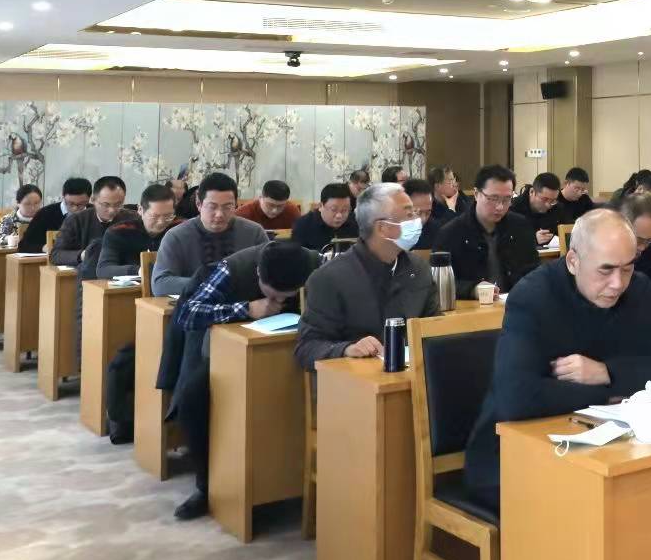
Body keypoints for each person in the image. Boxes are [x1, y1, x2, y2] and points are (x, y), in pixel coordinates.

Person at [462, 209, 651, 512]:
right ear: (573, 261)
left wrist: (607, 373)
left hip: (608, 447)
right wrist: (609, 393)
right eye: (605, 270)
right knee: (602, 505)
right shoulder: (533, 296)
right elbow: (516, 397)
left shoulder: (636, 290)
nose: (617, 283)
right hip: (513, 456)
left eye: (627, 268)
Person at [162, 239, 319, 520]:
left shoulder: (315, 263)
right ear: (258, 273)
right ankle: (206, 485)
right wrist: (246, 309)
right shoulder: (233, 268)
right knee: (192, 400)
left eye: (286, 296)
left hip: (294, 354)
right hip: (227, 357)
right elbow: (187, 313)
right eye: (272, 295)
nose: (278, 302)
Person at [296, 183, 440, 370]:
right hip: (356, 380)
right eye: (409, 214)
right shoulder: (329, 278)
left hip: (413, 374)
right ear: (382, 228)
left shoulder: (419, 269)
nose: (417, 221)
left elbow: (435, 328)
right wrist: (346, 349)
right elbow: (307, 348)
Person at [150, 172, 269, 296]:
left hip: (246, 304)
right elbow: (160, 284)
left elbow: (272, 273)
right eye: (212, 207)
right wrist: (214, 284)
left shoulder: (254, 232)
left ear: (236, 205)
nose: (219, 214)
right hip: (197, 305)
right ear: (198, 204)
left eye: (227, 207)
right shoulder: (176, 236)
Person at [434, 165, 540, 296]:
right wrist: (472, 289)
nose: (500, 207)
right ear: (476, 194)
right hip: (471, 306)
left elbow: (534, 271)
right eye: (493, 199)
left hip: (515, 301)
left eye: (507, 199)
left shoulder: (520, 226)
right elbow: (439, 283)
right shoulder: (451, 233)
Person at [51, 175, 130, 273]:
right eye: (106, 205)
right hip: (86, 274)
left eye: (118, 204)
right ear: (93, 200)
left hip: (122, 273)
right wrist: (82, 255)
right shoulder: (76, 220)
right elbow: (56, 255)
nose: (112, 210)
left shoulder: (132, 219)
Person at [96, 183, 177, 277]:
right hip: (131, 285)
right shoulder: (119, 231)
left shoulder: (180, 229)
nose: (161, 222)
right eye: (154, 216)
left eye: (168, 216)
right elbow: (104, 269)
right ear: (140, 209)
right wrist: (139, 270)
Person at [21, 177, 91, 255]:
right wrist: (44, 247)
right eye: (70, 203)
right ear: (63, 196)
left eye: (80, 204)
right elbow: (24, 245)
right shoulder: (45, 214)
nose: (75, 208)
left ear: (89, 199)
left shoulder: (95, 212)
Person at [289, 183, 358, 252]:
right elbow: (296, 255)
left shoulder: (357, 222)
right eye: (334, 209)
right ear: (320, 206)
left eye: (344, 210)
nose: (339, 215)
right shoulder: (303, 225)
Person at [511, 171, 566, 247]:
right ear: (532, 192)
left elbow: (567, 232)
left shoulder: (557, 207)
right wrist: (532, 239)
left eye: (553, 201)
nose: (548, 205)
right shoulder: (514, 208)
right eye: (544, 199)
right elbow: (507, 240)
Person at [235, 179, 302, 231]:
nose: (274, 210)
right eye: (270, 205)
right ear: (261, 198)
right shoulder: (242, 215)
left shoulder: (292, 211)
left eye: (280, 206)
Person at [0, 184, 43, 249]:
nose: (33, 208)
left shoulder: (45, 218)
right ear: (18, 203)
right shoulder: (9, 219)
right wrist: (12, 239)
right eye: (27, 204)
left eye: (36, 203)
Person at [401, 177, 445, 249]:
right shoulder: (389, 230)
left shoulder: (438, 231)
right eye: (418, 213)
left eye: (428, 213)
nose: (423, 219)